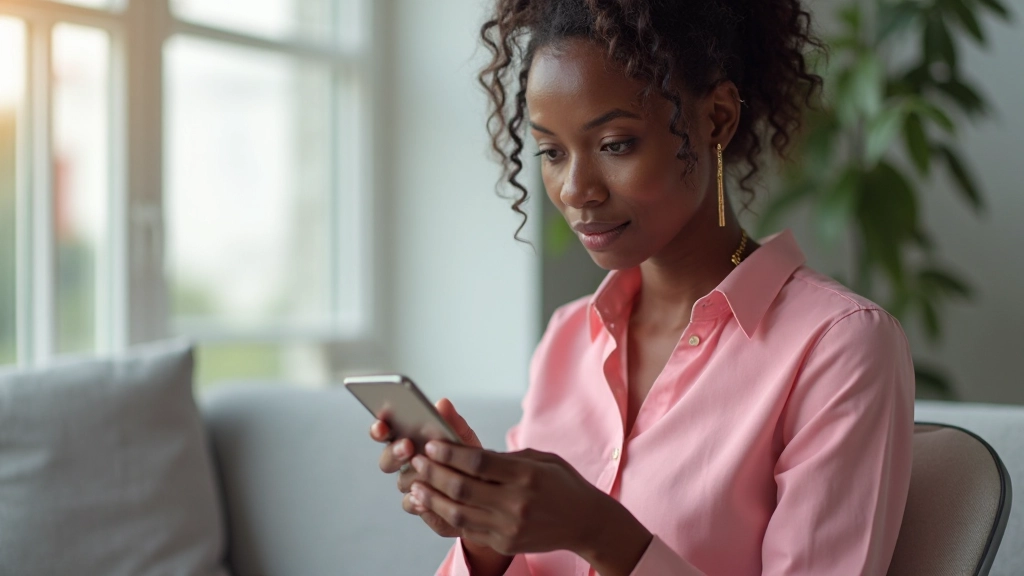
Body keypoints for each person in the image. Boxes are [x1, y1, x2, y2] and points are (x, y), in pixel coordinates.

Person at [370, 0, 915, 574]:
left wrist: (600, 532)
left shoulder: (838, 346)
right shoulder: (568, 338)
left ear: (718, 119)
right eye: (551, 152)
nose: (576, 190)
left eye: (615, 145)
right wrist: (486, 536)